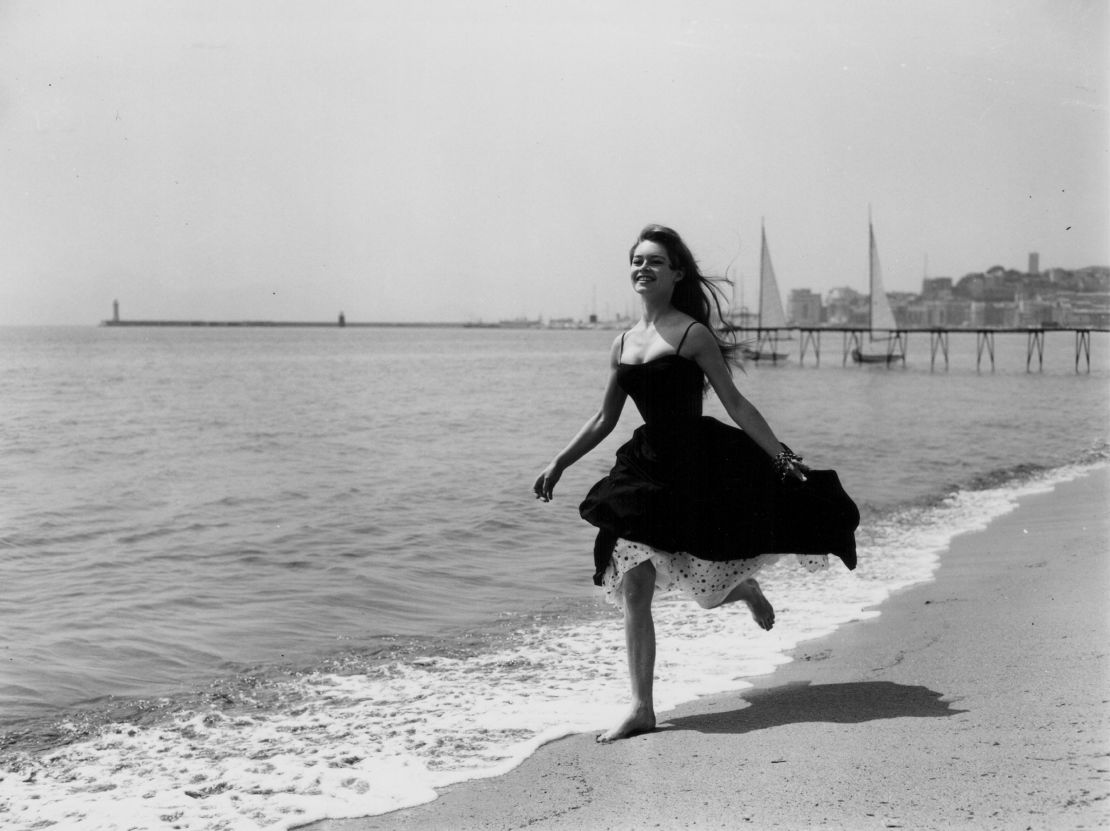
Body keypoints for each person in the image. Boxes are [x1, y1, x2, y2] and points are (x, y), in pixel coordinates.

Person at [533, 224, 859, 743]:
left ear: (676, 273)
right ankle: (642, 707)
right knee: (635, 582)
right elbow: (603, 418)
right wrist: (560, 462)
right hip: (643, 468)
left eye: (655, 261)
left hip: (696, 467)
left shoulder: (692, 334)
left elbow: (735, 403)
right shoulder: (621, 343)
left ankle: (744, 589)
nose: (644, 268)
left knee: (702, 587)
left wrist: (782, 457)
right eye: (637, 260)